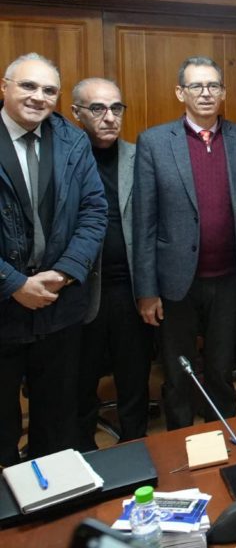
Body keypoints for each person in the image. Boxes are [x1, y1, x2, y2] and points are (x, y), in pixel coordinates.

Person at [134, 57, 236, 430]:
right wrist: (147, 290)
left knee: (222, 368)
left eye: (213, 85)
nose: (206, 93)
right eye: (196, 86)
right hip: (175, 283)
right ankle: (179, 441)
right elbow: (144, 221)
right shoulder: (154, 142)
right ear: (180, 92)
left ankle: (224, 434)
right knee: (178, 372)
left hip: (229, 279)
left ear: (223, 92)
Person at [0, 53, 106, 464]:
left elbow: (94, 212)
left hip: (58, 306)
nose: (38, 97)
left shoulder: (72, 141)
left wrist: (65, 273)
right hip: (3, 307)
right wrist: (14, 284)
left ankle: (52, 496)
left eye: (49, 90)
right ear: (5, 86)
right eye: (28, 86)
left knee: (57, 423)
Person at [72, 78, 152, 449]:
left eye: (116, 108)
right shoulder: (66, 159)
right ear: (77, 113)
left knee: (134, 376)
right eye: (98, 109)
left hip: (130, 289)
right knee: (81, 379)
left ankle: (136, 448)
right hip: (80, 290)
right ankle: (85, 453)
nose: (109, 117)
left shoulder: (140, 157)